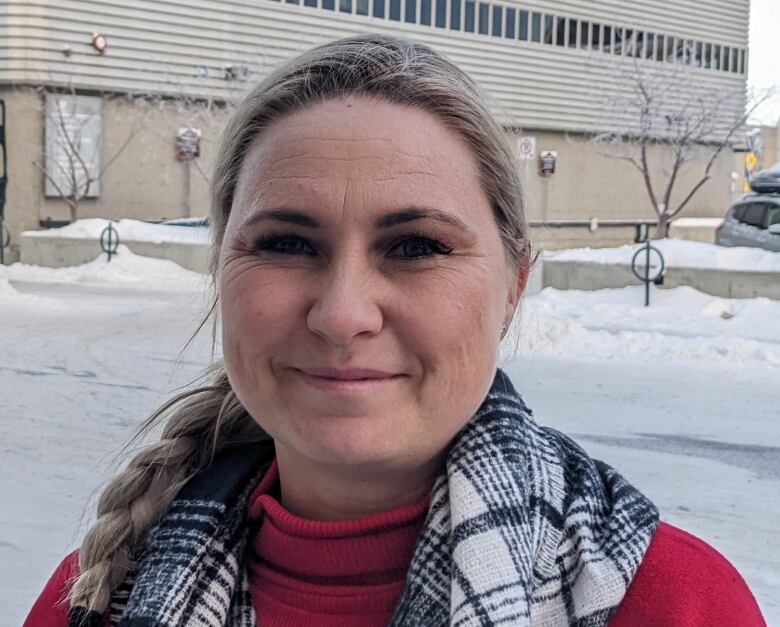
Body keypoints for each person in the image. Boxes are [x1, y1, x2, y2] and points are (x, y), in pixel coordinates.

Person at [26, 35, 764, 627]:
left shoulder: (671, 603)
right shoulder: (95, 595)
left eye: (415, 246)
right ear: (221, 272)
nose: (344, 313)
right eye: (287, 242)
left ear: (511, 285)